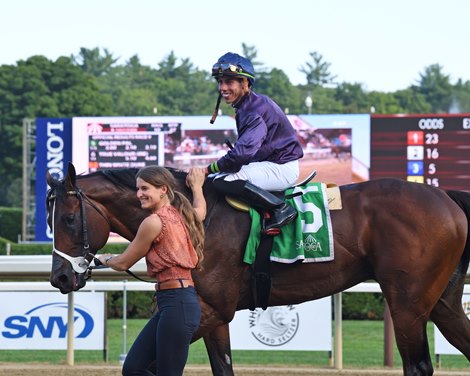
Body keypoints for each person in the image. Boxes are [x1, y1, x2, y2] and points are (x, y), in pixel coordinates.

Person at [97, 166, 206, 376]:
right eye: (138, 189)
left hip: (177, 303)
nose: (139, 194)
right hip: (175, 302)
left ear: (163, 189)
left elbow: (122, 264)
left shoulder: (153, 222)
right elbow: (200, 212)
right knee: (133, 369)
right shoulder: (181, 214)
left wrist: (105, 258)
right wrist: (198, 188)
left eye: (145, 188)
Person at [208, 52, 304, 233]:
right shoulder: (248, 105)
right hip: (271, 163)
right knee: (215, 178)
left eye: (229, 82)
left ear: (245, 83)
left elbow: (241, 155)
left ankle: (281, 209)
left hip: (281, 168)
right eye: (220, 82)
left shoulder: (253, 111)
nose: (223, 87)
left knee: (222, 181)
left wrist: (208, 168)